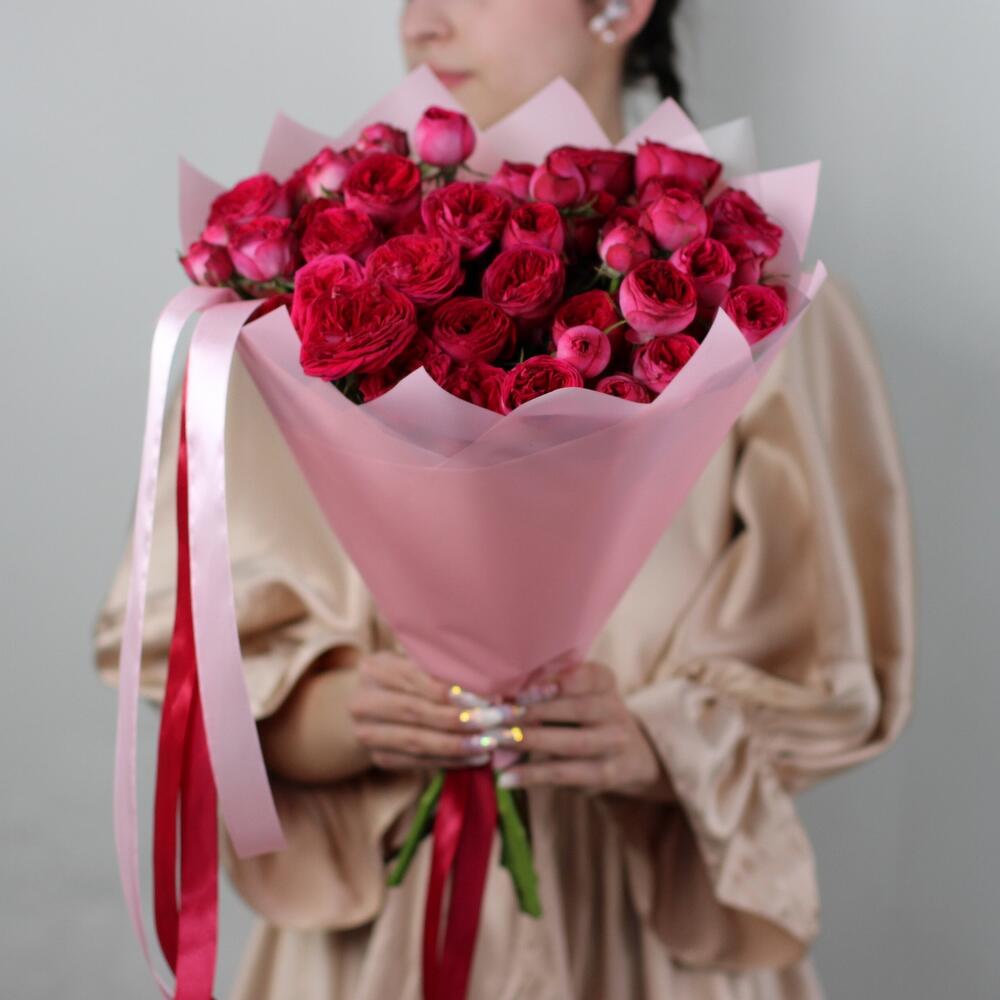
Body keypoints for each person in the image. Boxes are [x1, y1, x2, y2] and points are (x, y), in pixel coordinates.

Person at [93, 1, 916, 996]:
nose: (421, 21)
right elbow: (184, 647)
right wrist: (344, 711)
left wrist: (658, 741)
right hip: (370, 951)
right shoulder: (305, 311)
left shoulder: (759, 320)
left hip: (640, 948)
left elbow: (838, 673)